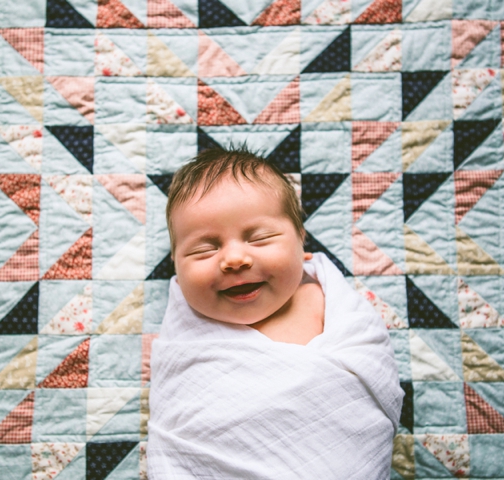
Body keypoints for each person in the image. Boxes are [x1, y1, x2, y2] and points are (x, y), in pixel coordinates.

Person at [147, 145, 403, 479]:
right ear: (176, 266)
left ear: (300, 240)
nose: (234, 258)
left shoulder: (330, 304)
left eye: (260, 237)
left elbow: (374, 373)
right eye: (204, 248)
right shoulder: (187, 338)